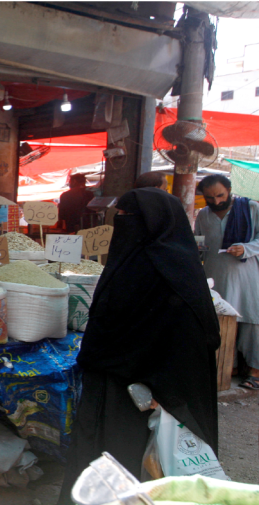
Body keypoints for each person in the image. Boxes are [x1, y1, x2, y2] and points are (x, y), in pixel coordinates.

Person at [59, 188, 220, 501]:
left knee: (126, 464)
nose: (121, 224)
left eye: (128, 219)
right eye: (118, 217)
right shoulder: (181, 267)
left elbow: (190, 336)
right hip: (140, 388)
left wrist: (157, 387)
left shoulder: (154, 271)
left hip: (144, 396)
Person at [194, 174, 259, 390]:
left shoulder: (250, 208)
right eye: (210, 198)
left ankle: (255, 370)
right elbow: (199, 240)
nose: (216, 201)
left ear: (229, 190)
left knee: (251, 321)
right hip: (215, 273)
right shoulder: (203, 214)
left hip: (246, 274)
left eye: (220, 195)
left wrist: (246, 248)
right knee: (221, 321)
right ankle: (226, 367)